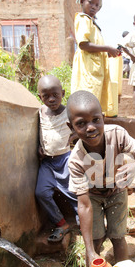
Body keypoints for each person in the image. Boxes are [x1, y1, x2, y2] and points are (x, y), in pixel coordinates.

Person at [66, 90, 135, 267]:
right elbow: (83, 204)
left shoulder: (118, 134)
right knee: (97, 242)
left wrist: (134, 166)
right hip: (92, 197)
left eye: (96, 120)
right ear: (70, 127)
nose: (90, 127)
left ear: (103, 118)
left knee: (118, 237)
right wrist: (89, 248)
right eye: (81, 124)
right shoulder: (76, 160)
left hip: (117, 192)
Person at [35, 75, 79, 243]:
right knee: (41, 192)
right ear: (40, 97)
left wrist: (76, 135)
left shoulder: (69, 111)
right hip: (47, 162)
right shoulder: (40, 112)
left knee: (74, 192)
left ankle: (85, 223)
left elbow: (81, 126)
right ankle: (61, 223)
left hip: (66, 159)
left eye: (55, 94)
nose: (51, 99)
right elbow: (41, 132)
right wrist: (40, 146)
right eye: (46, 96)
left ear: (63, 93)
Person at [70, 0, 120, 117]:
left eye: (97, 5)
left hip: (95, 69)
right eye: (90, 2)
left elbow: (94, 45)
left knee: (93, 100)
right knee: (87, 99)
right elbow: (84, 44)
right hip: (88, 69)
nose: (93, 7)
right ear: (82, 1)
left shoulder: (93, 24)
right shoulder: (83, 19)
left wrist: (106, 52)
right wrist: (107, 48)